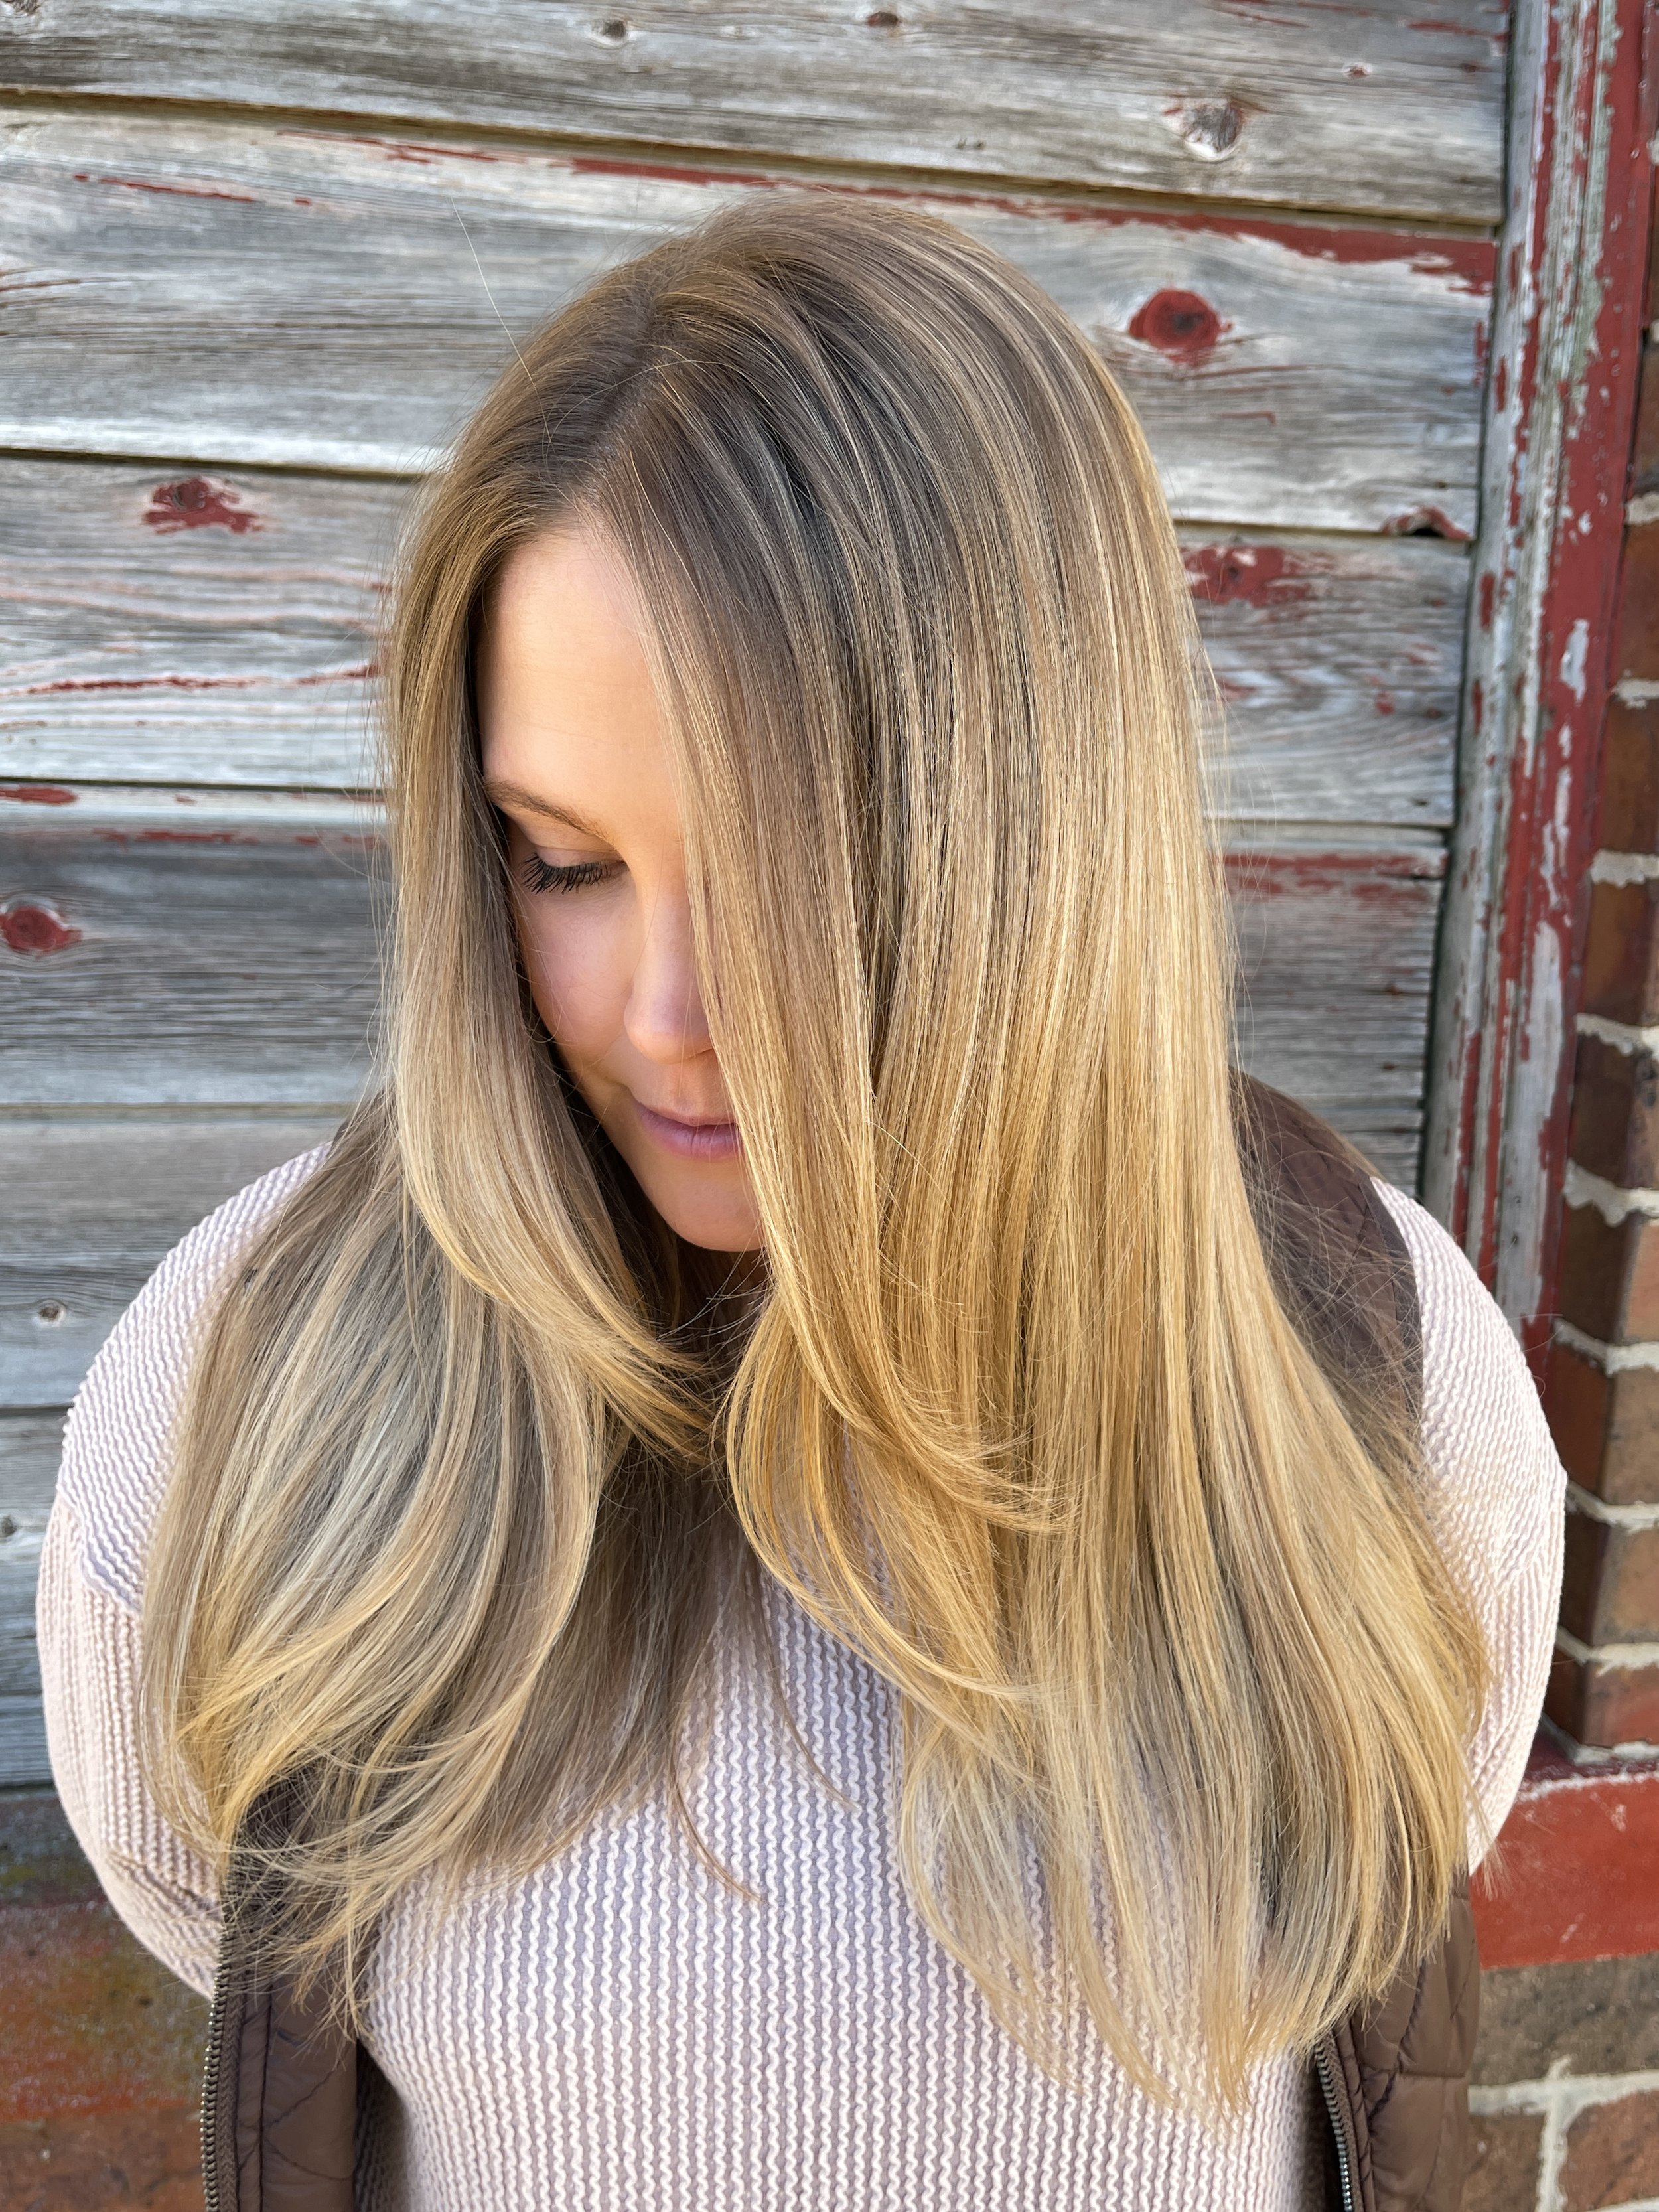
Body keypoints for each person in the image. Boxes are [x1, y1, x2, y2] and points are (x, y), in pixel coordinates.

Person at [38, 192, 1565, 2211]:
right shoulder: (242, 1393)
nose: (663, 1020)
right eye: (559, 860)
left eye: (789, 873)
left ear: (1037, 827)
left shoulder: (1379, 1380)